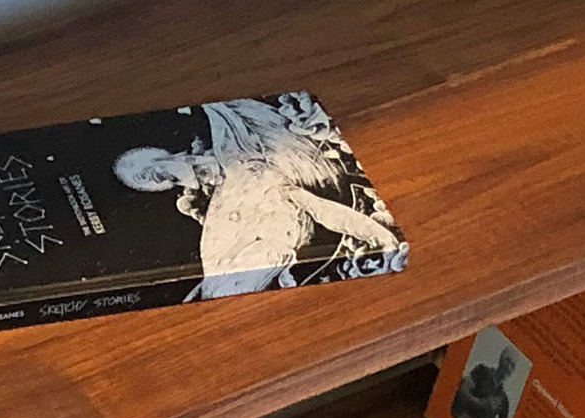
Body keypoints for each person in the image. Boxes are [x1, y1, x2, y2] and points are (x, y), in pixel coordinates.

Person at [112, 96, 404, 297]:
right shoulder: (217, 214)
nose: (149, 179)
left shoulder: (244, 156)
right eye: (143, 182)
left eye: (145, 169)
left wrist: (378, 236)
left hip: (272, 211)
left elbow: (321, 210)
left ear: (161, 155)